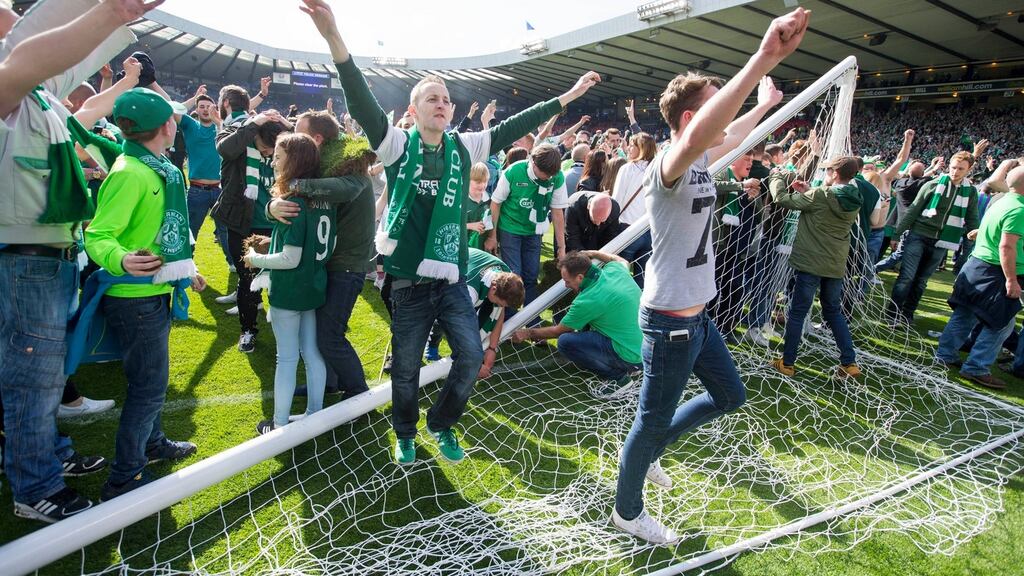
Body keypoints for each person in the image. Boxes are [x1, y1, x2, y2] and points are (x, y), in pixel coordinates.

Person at [300, 0, 599, 465]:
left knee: (467, 358)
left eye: (446, 100)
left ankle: (440, 424)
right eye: (431, 99)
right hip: (407, 282)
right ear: (415, 110)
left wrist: (567, 97)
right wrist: (334, 38)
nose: (441, 105)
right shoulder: (396, 144)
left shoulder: (467, 144)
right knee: (404, 368)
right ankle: (404, 433)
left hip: (453, 278)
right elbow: (360, 98)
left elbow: (517, 126)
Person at [613, 7, 809, 544]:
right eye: (710, 109)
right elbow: (706, 130)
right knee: (651, 419)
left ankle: (648, 451)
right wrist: (763, 57)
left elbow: (733, 134)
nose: (723, 116)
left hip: (699, 320)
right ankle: (628, 511)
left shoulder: (702, 159)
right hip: (670, 320)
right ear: (687, 120)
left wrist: (768, 103)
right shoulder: (671, 163)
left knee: (729, 395)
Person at [0, 0, 161, 523]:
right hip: (26, 260)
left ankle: (46, 459)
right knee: (32, 379)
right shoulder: (11, 85)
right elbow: (30, 49)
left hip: (46, 258)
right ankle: (35, 487)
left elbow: (54, 55)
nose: (17, 18)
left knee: (42, 375)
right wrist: (112, 13)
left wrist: (113, 20)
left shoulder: (38, 97)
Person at [85, 87, 206, 500]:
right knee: (148, 387)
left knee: (151, 381)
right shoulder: (131, 172)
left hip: (151, 292)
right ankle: (125, 475)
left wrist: (187, 270)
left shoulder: (155, 166)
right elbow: (98, 234)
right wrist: (120, 259)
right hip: (133, 297)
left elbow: (162, 234)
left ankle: (152, 446)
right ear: (166, 126)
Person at [268, 109, 374, 400]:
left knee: (329, 335)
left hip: (346, 266)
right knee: (320, 334)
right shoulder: (326, 163)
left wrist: (294, 186)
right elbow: (288, 209)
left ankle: (358, 392)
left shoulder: (347, 166)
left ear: (316, 138)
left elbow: (346, 189)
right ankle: (327, 383)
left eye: (299, 133)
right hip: (330, 262)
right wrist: (273, 206)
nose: (293, 138)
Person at [245, 133, 336, 433]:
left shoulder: (292, 202)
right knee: (311, 353)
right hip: (313, 286)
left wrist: (254, 259)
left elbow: (289, 258)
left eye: (279, 158)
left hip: (290, 288)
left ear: (294, 161)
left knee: (286, 358)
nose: (273, 162)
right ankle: (315, 413)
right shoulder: (324, 198)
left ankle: (279, 423)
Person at [769, 157, 864, 377]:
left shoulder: (821, 194)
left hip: (811, 262)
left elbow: (782, 198)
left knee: (797, 312)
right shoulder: (854, 197)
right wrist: (809, 191)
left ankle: (788, 363)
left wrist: (776, 176)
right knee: (833, 311)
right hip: (835, 263)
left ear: (834, 173)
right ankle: (849, 363)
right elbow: (827, 206)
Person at [214, 86, 290, 352]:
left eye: (274, 150)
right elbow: (225, 149)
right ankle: (248, 330)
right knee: (247, 278)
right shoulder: (238, 135)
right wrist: (252, 123)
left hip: (277, 225)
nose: (269, 155)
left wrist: (284, 122)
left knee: (280, 280)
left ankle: (286, 329)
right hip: (243, 223)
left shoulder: (282, 146)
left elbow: (304, 143)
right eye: (264, 148)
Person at [936, 162, 1024, 390]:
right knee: (1001, 324)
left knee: (965, 315)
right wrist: (1011, 279)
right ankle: (976, 368)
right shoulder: (1019, 209)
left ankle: (945, 354)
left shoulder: (1003, 200)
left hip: (978, 266)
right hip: (996, 272)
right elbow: (1007, 247)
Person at [512, 250, 642, 398]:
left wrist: (527, 333)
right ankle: (631, 365)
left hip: (631, 356)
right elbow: (620, 260)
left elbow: (558, 331)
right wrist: (593, 253)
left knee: (565, 342)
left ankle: (619, 378)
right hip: (648, 350)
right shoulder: (615, 271)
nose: (566, 285)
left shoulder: (587, 300)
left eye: (567, 281)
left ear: (580, 277)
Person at [889, 150, 980, 324]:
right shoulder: (933, 184)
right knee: (906, 277)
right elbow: (913, 210)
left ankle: (907, 314)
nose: (956, 171)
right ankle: (892, 313)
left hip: (943, 240)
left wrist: (976, 232)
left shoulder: (970, 192)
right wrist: (897, 233)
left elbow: (972, 216)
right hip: (918, 234)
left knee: (921, 281)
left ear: (968, 170)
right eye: (953, 167)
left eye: (961, 168)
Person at [487, 144, 570, 309]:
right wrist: (492, 235)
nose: (546, 178)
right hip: (510, 228)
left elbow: (557, 212)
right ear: (533, 162)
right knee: (513, 276)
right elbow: (495, 203)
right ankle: (509, 321)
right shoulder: (514, 171)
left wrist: (561, 246)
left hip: (534, 230)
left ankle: (531, 319)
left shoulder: (557, 177)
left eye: (550, 174)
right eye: (544, 173)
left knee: (531, 276)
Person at [428, 248, 525, 374]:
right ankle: (432, 346)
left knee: (482, 318)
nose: (498, 306)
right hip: (444, 269)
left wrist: (491, 348)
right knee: (442, 316)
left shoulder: (506, 276)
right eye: (499, 303)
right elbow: (457, 327)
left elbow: (499, 314)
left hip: (473, 271)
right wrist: (473, 364)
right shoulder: (469, 291)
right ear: (494, 289)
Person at [613, 133, 658, 287]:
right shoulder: (658, 170)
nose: (629, 148)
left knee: (618, 276)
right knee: (642, 280)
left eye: (633, 145)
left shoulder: (628, 168)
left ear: (642, 149)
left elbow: (617, 200)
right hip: (649, 230)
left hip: (627, 228)